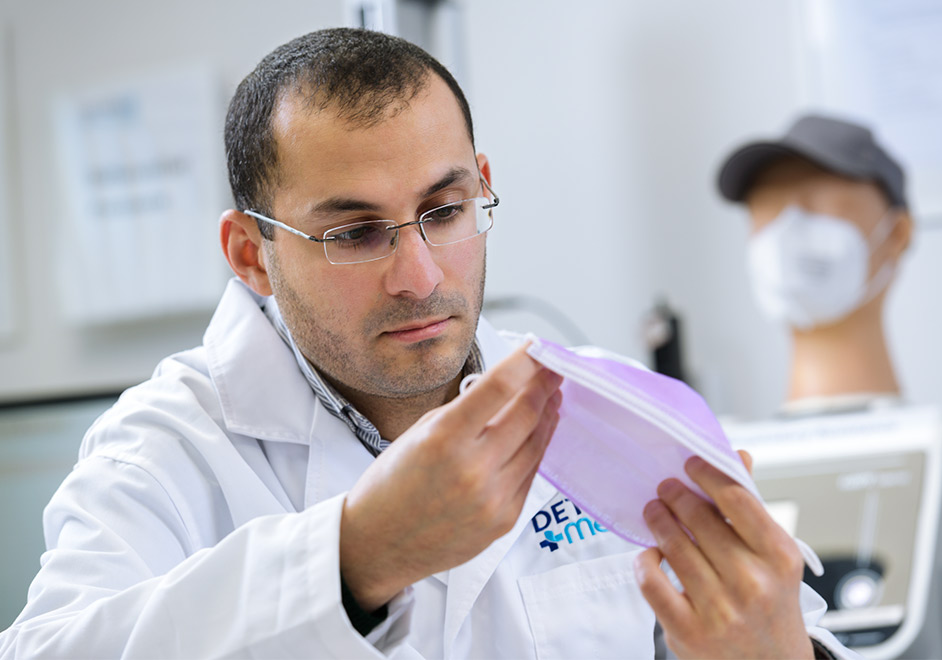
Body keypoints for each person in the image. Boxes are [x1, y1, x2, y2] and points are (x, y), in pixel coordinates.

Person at [1, 29, 853, 658]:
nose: (418, 275)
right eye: (355, 235)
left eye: (442, 213)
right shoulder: (165, 452)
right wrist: (355, 556)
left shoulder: (607, 412)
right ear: (250, 255)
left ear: (481, 187)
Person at [717, 114, 914, 414]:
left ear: (897, 234)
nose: (788, 226)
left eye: (819, 203)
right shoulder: (738, 455)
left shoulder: (935, 442)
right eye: (768, 206)